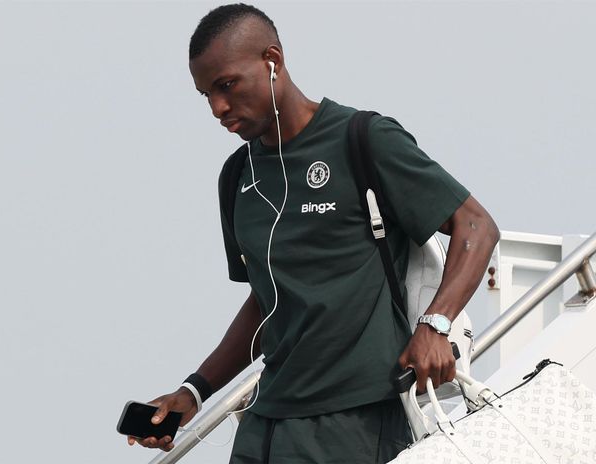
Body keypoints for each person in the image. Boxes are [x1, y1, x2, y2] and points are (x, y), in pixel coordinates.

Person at [128, 4, 499, 462]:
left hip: (355, 418)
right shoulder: (236, 177)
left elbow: (477, 226)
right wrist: (194, 391)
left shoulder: (362, 138)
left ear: (272, 60)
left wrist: (436, 325)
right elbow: (267, 303)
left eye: (226, 86)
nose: (217, 108)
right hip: (266, 419)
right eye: (205, 94)